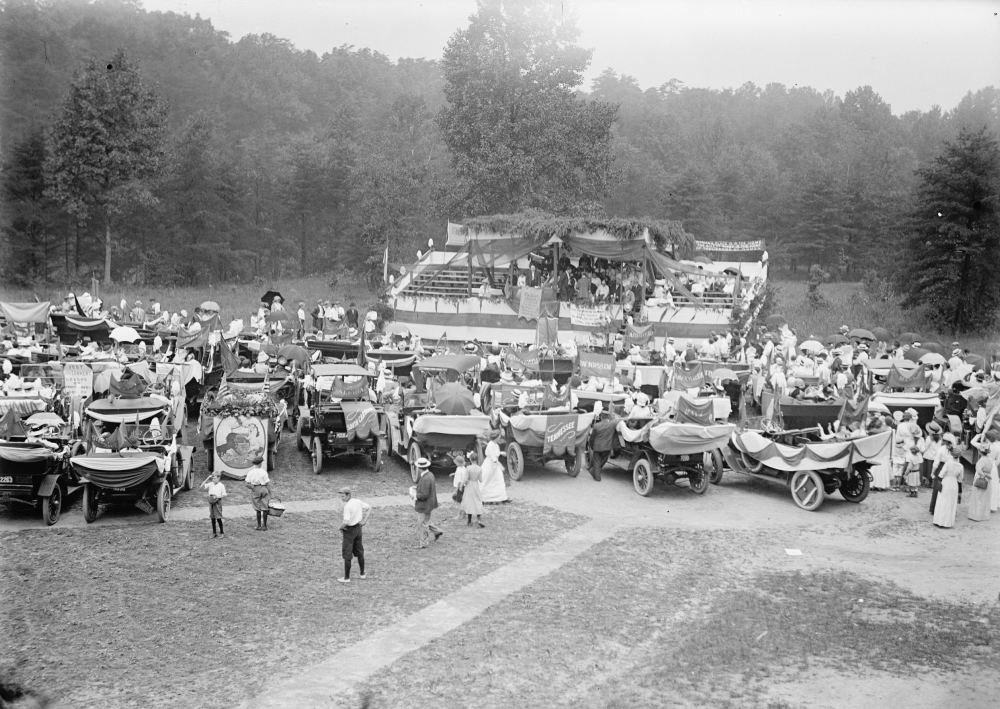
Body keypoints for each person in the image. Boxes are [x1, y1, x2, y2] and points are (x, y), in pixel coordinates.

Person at [338, 487, 371, 583]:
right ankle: (362, 574)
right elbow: (369, 508)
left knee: (347, 554)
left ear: (348, 495)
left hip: (349, 531)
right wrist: (364, 521)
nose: (342, 498)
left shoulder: (347, 507)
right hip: (358, 529)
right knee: (360, 552)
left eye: (343, 496)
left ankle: (346, 578)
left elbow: (346, 521)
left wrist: (340, 527)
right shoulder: (357, 501)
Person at [413, 457, 442, 548]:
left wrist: (414, 495)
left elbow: (424, 495)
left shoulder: (425, 478)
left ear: (419, 467)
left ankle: (424, 543)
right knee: (426, 520)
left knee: (422, 524)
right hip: (430, 503)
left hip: (424, 505)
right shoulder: (430, 475)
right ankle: (437, 531)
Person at [933, 445, 963, 528]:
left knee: (942, 501)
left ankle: (939, 521)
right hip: (954, 484)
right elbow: (960, 480)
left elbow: (941, 475)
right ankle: (947, 522)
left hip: (946, 482)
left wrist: (938, 483)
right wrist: (960, 491)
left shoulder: (947, 464)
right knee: (951, 502)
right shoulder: (960, 466)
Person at [968, 439, 993, 522]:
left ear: (980, 452)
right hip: (988, 480)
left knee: (978, 496)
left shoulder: (981, 461)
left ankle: (976, 515)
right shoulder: (990, 459)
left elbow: (979, 471)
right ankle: (984, 515)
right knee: (985, 497)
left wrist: (984, 475)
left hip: (981, 478)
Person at [244, 457, 272, 531]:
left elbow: (246, 484)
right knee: (265, 507)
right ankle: (265, 526)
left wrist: (252, 488)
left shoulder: (250, 472)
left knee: (257, 508)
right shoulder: (264, 472)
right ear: (260, 463)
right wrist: (270, 492)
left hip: (255, 489)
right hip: (263, 488)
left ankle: (259, 525)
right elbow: (267, 483)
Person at [480, 436, 509, 503]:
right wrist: (500, 465)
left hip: (495, 466)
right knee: (485, 481)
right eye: (499, 436)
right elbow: (493, 458)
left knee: (499, 480)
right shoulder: (490, 445)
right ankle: (481, 497)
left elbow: (495, 453)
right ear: (495, 437)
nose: (500, 438)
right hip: (489, 465)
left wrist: (501, 453)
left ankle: (502, 497)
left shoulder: (495, 444)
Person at [460, 451, 485, 527]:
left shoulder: (468, 468)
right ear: (477, 460)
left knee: (469, 501)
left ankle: (469, 521)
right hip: (475, 485)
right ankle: (479, 519)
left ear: (470, 459)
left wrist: (461, 485)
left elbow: (465, 478)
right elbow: (481, 480)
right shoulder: (479, 468)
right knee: (477, 501)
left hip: (469, 485)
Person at [201, 472, 227, 538]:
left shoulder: (221, 485)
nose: (213, 480)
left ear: (219, 478)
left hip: (217, 502)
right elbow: (201, 486)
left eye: (215, 478)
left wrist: (217, 497)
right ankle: (214, 533)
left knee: (218, 518)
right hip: (211, 501)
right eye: (212, 478)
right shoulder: (210, 484)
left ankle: (222, 532)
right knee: (212, 518)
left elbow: (224, 494)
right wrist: (207, 478)